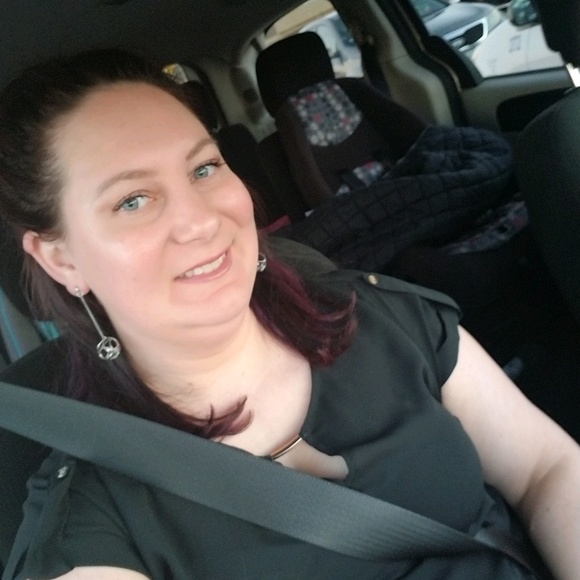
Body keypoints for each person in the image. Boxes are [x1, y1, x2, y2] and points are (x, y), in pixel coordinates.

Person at [0, 48, 578, 580]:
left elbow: (545, 468)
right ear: (61, 259)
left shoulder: (379, 315)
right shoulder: (98, 512)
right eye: (132, 200)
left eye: (203, 169)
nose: (201, 220)